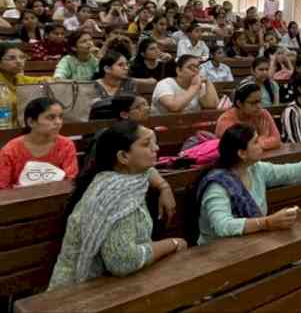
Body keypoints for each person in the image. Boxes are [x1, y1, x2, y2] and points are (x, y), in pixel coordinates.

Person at [47, 121, 187, 290]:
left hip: (110, 283)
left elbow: (147, 171)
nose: (156, 148)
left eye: (154, 142)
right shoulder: (119, 197)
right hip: (82, 289)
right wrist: (174, 243)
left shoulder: (121, 177)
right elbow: (122, 261)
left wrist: (164, 187)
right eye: (146, 144)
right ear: (123, 157)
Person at [196, 124, 301, 244]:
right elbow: (223, 226)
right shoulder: (217, 185)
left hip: (250, 243)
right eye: (256, 142)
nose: (262, 145)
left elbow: (291, 171)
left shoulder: (255, 169)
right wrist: (267, 222)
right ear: (242, 153)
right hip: (217, 252)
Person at [0, 98, 78, 189]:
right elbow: (2, 186)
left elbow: (71, 180)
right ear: (31, 122)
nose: (58, 122)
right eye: (51, 117)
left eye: (60, 117)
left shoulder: (66, 145)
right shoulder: (11, 149)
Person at [215, 83, 280, 149]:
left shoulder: (262, 114)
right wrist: (263, 136)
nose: (259, 106)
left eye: (260, 101)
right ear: (239, 103)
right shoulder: (226, 120)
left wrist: (256, 144)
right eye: (253, 103)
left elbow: (277, 140)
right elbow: (241, 148)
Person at [0, 43, 50, 127]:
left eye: (22, 57)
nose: (19, 61)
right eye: (12, 58)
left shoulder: (18, 78)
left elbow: (45, 80)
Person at [151, 55, 219, 115]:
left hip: (192, 125)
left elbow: (212, 105)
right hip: (164, 126)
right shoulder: (164, 84)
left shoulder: (199, 85)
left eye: (198, 67)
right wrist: (194, 86)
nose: (196, 70)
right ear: (179, 71)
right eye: (191, 67)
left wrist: (208, 82)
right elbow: (174, 107)